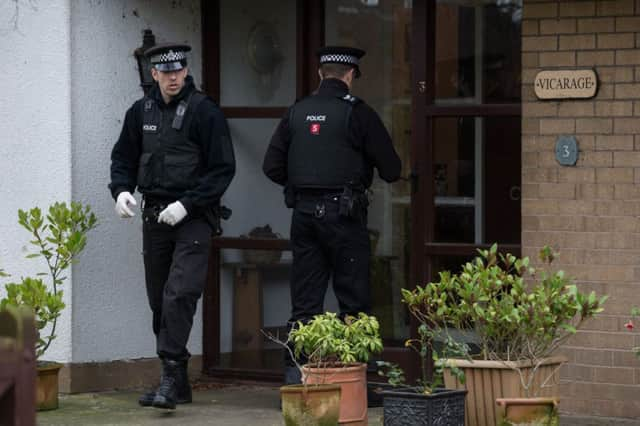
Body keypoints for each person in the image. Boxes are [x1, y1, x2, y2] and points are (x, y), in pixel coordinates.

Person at [262, 46, 401, 384]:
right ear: (351, 75)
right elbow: (393, 169)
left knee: (305, 304)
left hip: (304, 218)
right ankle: (358, 383)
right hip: (344, 217)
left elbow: (271, 166)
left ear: (320, 74)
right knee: (354, 303)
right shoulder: (359, 114)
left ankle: (297, 379)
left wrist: (301, 183)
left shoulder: (296, 112)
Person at [109, 42, 235, 409]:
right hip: (155, 218)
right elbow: (123, 158)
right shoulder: (140, 112)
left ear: (185, 70)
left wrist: (188, 204)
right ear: (154, 74)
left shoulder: (204, 112)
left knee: (180, 293)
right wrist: (120, 191)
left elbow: (222, 169)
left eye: (178, 71)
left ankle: (169, 377)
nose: (173, 77)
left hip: (193, 219)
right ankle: (177, 381)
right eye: (166, 72)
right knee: (159, 300)